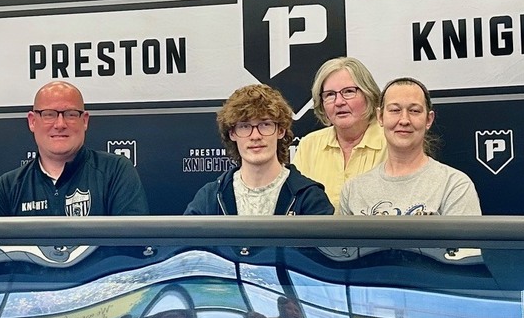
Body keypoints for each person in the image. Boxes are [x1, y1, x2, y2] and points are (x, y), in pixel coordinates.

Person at [0, 80, 149, 216]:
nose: (60, 124)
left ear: (84, 121)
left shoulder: (115, 172)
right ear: (32, 121)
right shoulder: (6, 188)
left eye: (70, 114)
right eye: (49, 114)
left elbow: (133, 249)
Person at [339, 77, 481, 216]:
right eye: (395, 110)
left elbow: (465, 240)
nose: (404, 120)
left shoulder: (454, 186)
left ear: (429, 119)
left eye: (414, 111)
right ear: (380, 117)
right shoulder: (354, 190)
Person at [183, 84, 333, 215]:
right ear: (232, 133)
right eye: (244, 126)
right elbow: (183, 246)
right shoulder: (210, 197)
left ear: (280, 131)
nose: (255, 136)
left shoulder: (310, 198)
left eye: (265, 124)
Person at [292, 57, 387, 209]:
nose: (339, 102)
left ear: (368, 94)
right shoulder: (309, 145)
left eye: (348, 92)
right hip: (317, 233)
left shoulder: (391, 141)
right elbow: (296, 206)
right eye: (330, 95)